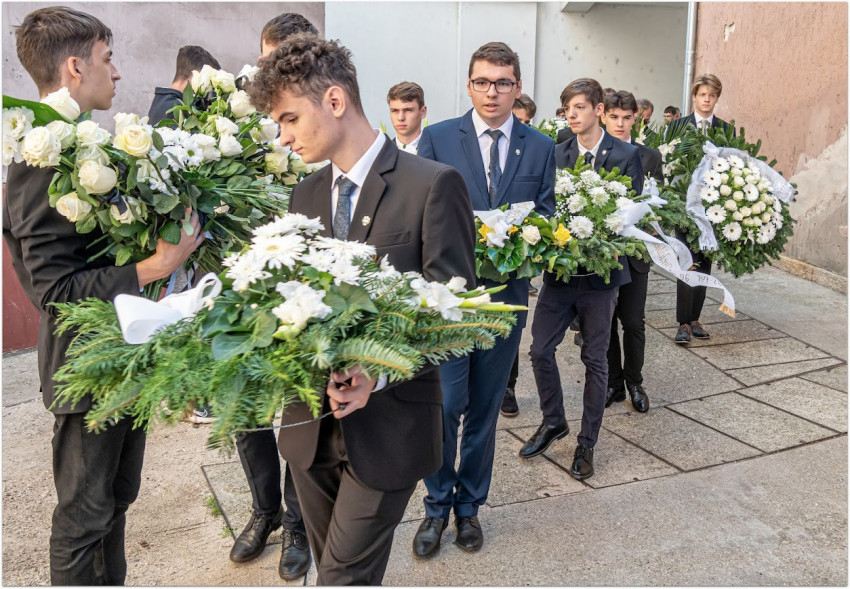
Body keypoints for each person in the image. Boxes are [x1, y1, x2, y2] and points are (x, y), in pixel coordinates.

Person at [245, 33, 476, 585]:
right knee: (335, 569)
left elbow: (455, 314)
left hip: (390, 430)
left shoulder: (432, 185)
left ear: (334, 100)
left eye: (289, 119)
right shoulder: (303, 195)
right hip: (309, 432)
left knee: (341, 579)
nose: (284, 137)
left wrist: (379, 370)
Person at [3, 7, 204, 584]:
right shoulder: (41, 158)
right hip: (84, 371)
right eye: (107, 59)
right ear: (75, 66)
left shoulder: (79, 144)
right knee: (83, 516)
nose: (116, 72)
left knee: (116, 499)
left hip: (120, 357)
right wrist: (156, 265)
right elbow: (54, 290)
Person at [415, 41, 555, 557]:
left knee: (485, 408)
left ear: (517, 87)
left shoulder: (540, 147)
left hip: (506, 300)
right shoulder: (437, 139)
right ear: (469, 85)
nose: (491, 92)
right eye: (482, 82)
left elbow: (545, 216)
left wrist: (520, 237)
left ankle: (469, 507)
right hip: (450, 300)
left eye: (502, 83)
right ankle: (435, 506)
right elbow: (420, 217)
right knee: (445, 405)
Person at [227, 12, 318, 582]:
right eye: (268, 60)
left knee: (301, 409)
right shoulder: (235, 114)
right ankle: (263, 510)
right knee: (246, 408)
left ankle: (298, 521)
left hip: (304, 283)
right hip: (246, 278)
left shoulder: (321, 117)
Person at [519, 78, 642, 481]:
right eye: (567, 108)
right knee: (540, 350)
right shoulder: (556, 152)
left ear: (598, 109)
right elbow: (543, 205)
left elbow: (632, 214)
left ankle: (586, 443)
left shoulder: (626, 155)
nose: (571, 115)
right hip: (560, 275)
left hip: (601, 280)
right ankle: (554, 420)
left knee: (594, 359)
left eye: (579, 107)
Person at [599, 90, 662, 413]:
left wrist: (653, 224)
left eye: (626, 117)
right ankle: (613, 382)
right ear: (603, 116)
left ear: (635, 118)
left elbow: (660, 202)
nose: (620, 124)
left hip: (636, 253)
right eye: (614, 117)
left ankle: (635, 382)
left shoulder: (649, 156)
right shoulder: (596, 153)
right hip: (604, 253)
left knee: (634, 321)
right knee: (606, 321)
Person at [671, 73, 734, 345]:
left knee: (705, 262)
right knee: (687, 260)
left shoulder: (726, 129)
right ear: (694, 97)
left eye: (712, 95)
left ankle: (695, 319)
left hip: (712, 207)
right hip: (684, 206)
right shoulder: (678, 127)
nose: (707, 99)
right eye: (702, 95)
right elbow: (669, 163)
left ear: (717, 98)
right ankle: (683, 323)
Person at [148, 45, 220, 126]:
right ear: (196, 75)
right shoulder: (177, 109)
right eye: (208, 82)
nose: (209, 89)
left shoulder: (162, 101)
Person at [386, 81, 427, 153]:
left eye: (408, 110)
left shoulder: (438, 152)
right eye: (395, 111)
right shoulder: (383, 154)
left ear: (423, 112)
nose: (400, 118)